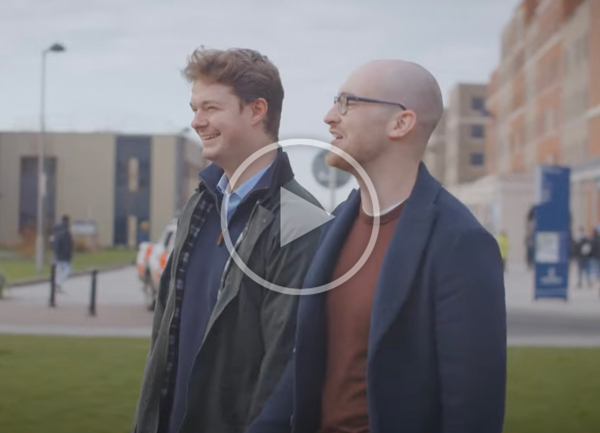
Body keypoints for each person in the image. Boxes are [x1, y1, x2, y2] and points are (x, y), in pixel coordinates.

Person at [249, 60, 506, 433]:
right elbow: (308, 364)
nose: (328, 117)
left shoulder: (461, 244)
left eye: (346, 103)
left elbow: (472, 410)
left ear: (401, 123)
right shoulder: (335, 225)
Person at [132, 48, 321, 433]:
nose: (196, 122)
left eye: (211, 108)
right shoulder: (199, 204)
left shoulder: (302, 220)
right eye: (194, 108)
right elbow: (164, 342)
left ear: (256, 110)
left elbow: (287, 367)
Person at [51, 215, 73, 293]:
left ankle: (57, 285)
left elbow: (54, 242)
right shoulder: (65, 232)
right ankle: (57, 284)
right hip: (63, 255)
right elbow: (66, 244)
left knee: (60, 271)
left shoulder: (57, 230)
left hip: (57, 255)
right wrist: (67, 253)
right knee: (67, 271)